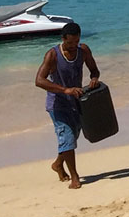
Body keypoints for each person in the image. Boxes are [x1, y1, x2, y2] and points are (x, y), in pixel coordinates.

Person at [35, 22, 100, 189]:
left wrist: (94, 79)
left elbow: (94, 70)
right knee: (67, 136)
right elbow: (39, 80)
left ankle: (58, 164)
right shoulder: (53, 55)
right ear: (62, 39)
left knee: (72, 136)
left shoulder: (83, 50)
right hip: (57, 104)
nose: (73, 46)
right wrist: (65, 90)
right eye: (70, 43)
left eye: (76, 42)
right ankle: (75, 177)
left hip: (76, 100)